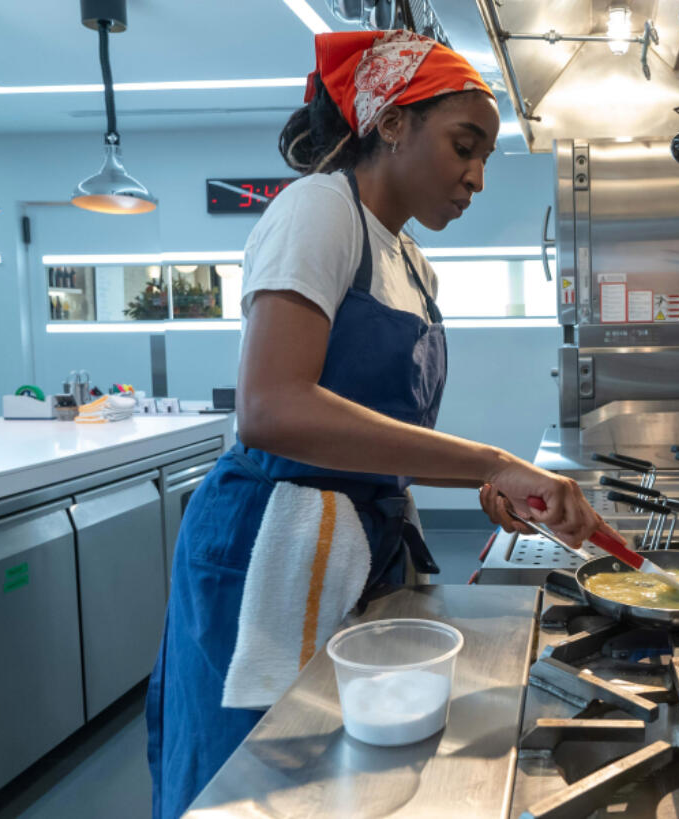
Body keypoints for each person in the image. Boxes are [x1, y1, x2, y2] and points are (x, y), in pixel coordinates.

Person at [145, 30, 617, 818]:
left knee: (340, 772)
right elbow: (270, 407)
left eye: (486, 157)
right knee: (252, 777)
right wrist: (486, 460)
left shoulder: (409, 261)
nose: (474, 176)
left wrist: (482, 480)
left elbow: (375, 421)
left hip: (360, 542)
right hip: (270, 544)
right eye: (464, 145)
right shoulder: (317, 212)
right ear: (392, 122)